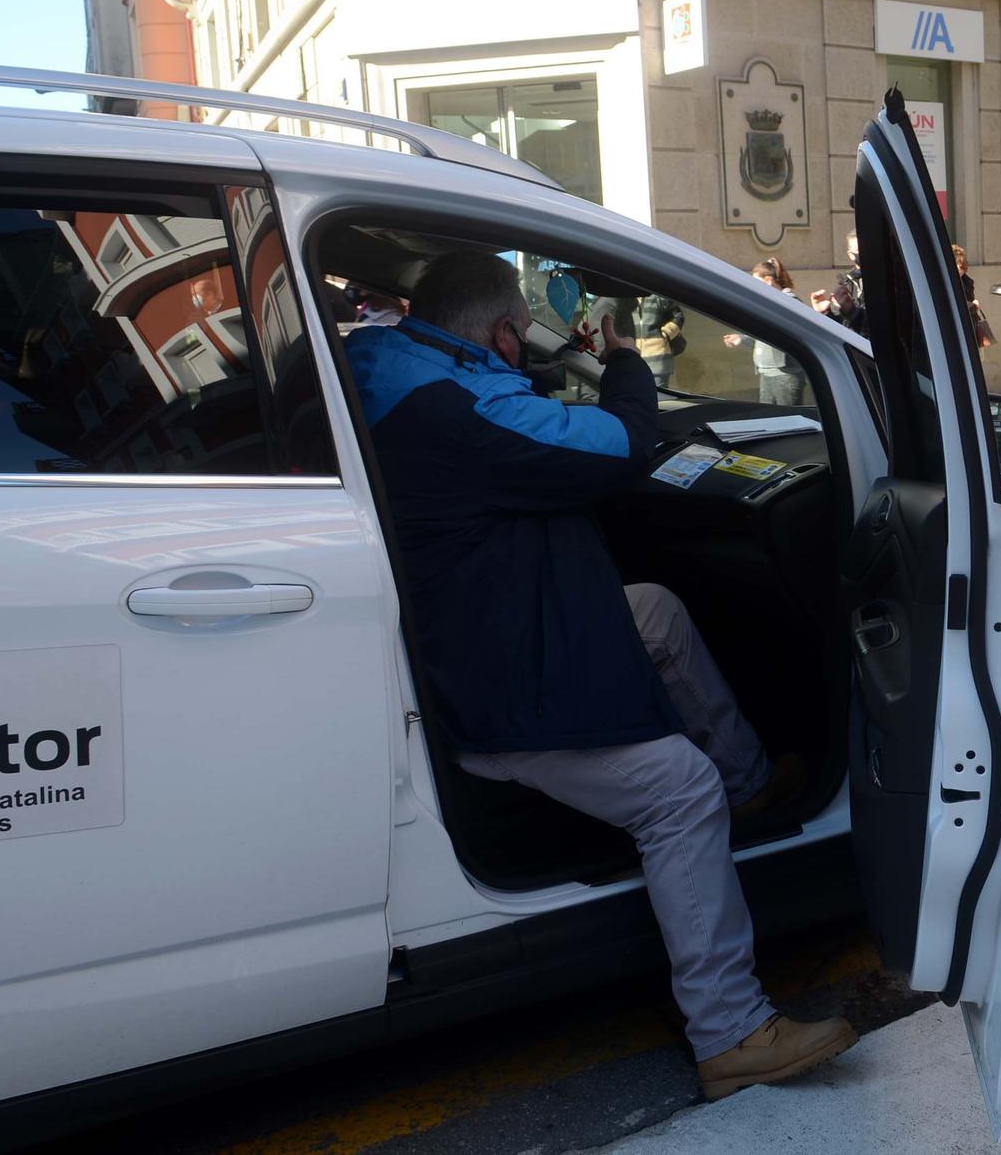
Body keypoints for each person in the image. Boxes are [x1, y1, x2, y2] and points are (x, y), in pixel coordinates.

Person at [344, 250, 854, 1099]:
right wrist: (621, 361)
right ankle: (729, 1027)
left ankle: (752, 784)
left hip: (481, 623)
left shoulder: (386, 363)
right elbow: (619, 443)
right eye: (518, 334)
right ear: (505, 333)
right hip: (500, 684)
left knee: (654, 609)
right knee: (677, 789)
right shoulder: (455, 409)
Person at [723, 258, 808, 405]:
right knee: (769, 421)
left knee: (788, 421)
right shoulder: (768, 303)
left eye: (756, 282)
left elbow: (788, 336)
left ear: (768, 280)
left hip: (785, 375)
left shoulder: (789, 302)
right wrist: (741, 339)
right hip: (766, 373)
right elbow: (765, 336)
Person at [810, 230, 867, 335]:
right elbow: (841, 328)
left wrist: (852, 312)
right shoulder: (846, 282)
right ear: (851, 255)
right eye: (859, 249)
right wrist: (825, 312)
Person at [953, 243, 995, 350]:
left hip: (970, 326)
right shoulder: (948, 283)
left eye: (961, 264)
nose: (959, 267)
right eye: (956, 263)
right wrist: (974, 305)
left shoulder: (967, 282)